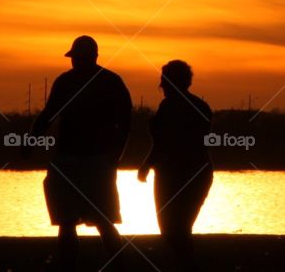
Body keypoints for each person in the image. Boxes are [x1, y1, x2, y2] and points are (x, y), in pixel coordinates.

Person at [25, 35, 132, 272]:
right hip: (69, 160)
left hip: (95, 161)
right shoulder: (68, 82)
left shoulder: (109, 82)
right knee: (67, 220)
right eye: (75, 58)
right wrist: (30, 142)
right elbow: (48, 115)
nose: (76, 62)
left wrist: (115, 155)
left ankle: (118, 266)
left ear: (92, 57)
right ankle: (70, 266)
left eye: (79, 58)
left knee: (102, 220)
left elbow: (124, 123)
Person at [137, 60, 213, 270]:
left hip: (175, 173)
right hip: (197, 172)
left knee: (173, 227)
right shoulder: (201, 106)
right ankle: (186, 264)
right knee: (180, 226)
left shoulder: (169, 107)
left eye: (164, 81)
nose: (161, 86)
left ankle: (187, 265)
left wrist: (147, 163)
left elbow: (164, 141)